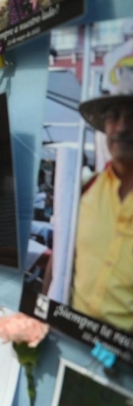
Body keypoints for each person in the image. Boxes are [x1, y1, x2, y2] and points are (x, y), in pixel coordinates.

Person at [70, 39, 133, 330]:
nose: (122, 127)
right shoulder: (84, 188)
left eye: (132, 116)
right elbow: (62, 264)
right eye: (114, 116)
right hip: (72, 339)